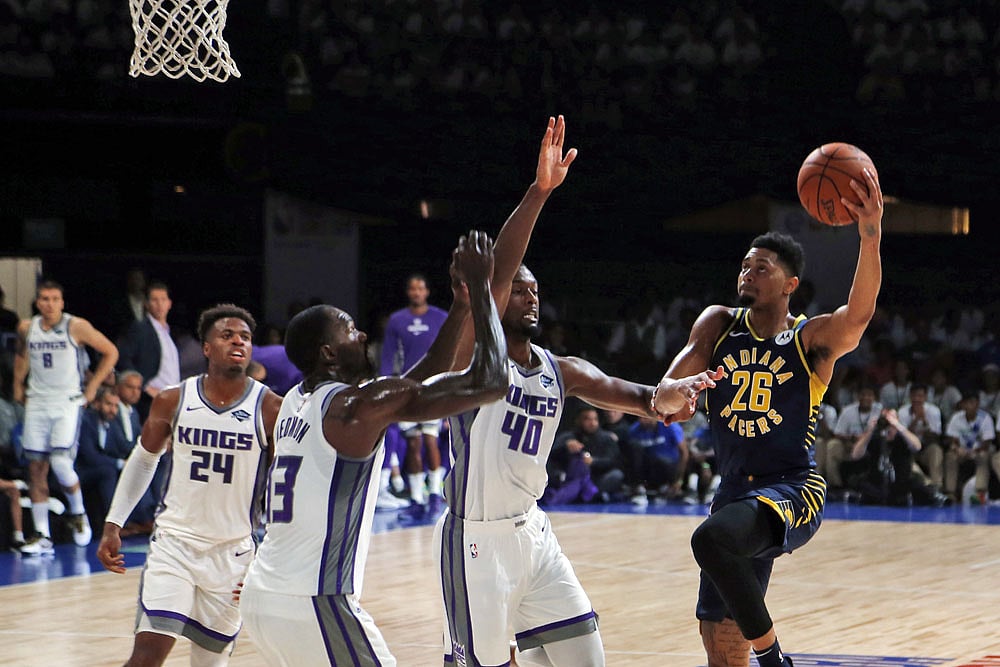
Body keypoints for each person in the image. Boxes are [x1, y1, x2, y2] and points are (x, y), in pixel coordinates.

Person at [431, 115, 718, 667]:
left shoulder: (558, 370)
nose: (530, 297)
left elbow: (637, 396)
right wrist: (540, 192)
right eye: (520, 291)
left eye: (536, 291)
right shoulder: (474, 355)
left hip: (534, 534)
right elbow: (497, 274)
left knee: (587, 658)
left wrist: (668, 396)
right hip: (476, 542)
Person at [240, 230, 509, 665]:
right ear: (329, 353)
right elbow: (492, 382)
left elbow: (417, 380)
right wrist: (481, 287)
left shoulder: (296, 400)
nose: (362, 334)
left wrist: (459, 308)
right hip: (316, 599)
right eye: (350, 330)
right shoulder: (351, 407)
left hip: (264, 597)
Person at [651, 167, 883, 667]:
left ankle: (775, 660)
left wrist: (870, 235)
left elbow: (858, 316)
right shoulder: (718, 324)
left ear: (789, 285)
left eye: (761, 268)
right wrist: (672, 397)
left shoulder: (808, 339)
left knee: (710, 540)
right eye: (744, 266)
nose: (748, 274)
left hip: (791, 488)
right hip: (734, 492)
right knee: (718, 642)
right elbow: (666, 390)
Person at [96, 303, 282, 666]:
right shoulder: (173, 399)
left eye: (245, 337)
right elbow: (144, 459)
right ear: (207, 348)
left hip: (233, 555)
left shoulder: (270, 407)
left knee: (210, 662)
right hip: (175, 546)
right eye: (227, 335)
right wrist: (113, 523)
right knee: (147, 655)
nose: (238, 342)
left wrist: (271, 558)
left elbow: (283, 488)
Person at [13, 279, 119, 555]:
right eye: (45, 299)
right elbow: (22, 355)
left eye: (54, 299)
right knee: (36, 469)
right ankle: (42, 535)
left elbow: (111, 352)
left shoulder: (76, 326)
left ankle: (78, 512)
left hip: (67, 402)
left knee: (60, 463)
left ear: (62, 302)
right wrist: (17, 383)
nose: (50, 304)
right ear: (38, 302)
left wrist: (92, 388)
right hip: (38, 401)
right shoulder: (27, 327)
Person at [380, 272, 450, 515]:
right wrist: (385, 386)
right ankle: (417, 498)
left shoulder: (440, 318)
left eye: (420, 288)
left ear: (427, 292)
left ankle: (434, 493)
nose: (416, 292)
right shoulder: (397, 320)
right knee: (413, 443)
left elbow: (451, 352)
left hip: (433, 388)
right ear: (408, 292)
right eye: (412, 288)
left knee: (431, 440)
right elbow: (388, 356)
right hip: (406, 388)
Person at [116, 281, 181, 424]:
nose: (159, 304)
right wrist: (144, 386)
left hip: (171, 400)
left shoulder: (169, 332)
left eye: (163, 300)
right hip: (150, 399)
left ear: (169, 303)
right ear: (146, 304)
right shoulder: (141, 329)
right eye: (154, 300)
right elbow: (124, 358)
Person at [74, 385, 133, 529]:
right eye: (108, 404)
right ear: (97, 403)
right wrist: (120, 463)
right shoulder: (86, 421)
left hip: (99, 468)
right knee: (108, 471)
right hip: (80, 470)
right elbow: (89, 457)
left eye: (115, 406)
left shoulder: (112, 422)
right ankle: (113, 524)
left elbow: (124, 446)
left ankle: (142, 519)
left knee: (136, 468)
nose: (112, 409)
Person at [543, 405, 625, 504]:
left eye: (595, 419)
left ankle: (587, 494)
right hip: (570, 479)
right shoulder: (568, 437)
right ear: (578, 421)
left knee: (616, 475)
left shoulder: (606, 438)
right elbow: (550, 454)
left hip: (596, 479)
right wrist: (565, 448)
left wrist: (593, 462)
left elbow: (613, 461)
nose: (592, 423)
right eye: (587, 419)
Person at [623, 414, 690, 504]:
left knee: (661, 460)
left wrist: (679, 480)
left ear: (655, 417)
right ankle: (639, 488)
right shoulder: (634, 430)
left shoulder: (670, 426)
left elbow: (684, 453)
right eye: (640, 417)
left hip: (670, 465)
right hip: (649, 467)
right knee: (634, 449)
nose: (642, 420)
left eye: (645, 417)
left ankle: (668, 486)